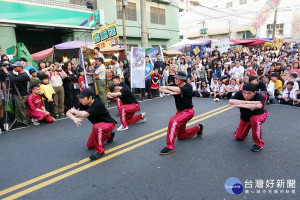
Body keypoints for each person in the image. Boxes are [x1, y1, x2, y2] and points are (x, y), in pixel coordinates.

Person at [158, 70, 204, 155]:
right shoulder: (175, 85)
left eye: (177, 78)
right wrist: (171, 91)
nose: (175, 79)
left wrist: (170, 89)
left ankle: (169, 146)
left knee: (173, 121)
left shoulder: (188, 87)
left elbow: (178, 90)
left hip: (188, 112)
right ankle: (198, 128)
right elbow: (161, 88)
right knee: (181, 136)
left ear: (182, 79)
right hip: (179, 112)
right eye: (175, 78)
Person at [66, 88, 117, 161]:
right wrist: (74, 119)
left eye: (83, 98)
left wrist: (75, 111)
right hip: (99, 126)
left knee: (96, 127)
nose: (81, 100)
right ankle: (109, 135)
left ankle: (100, 151)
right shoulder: (83, 104)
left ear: (90, 97)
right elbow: (67, 113)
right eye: (80, 98)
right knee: (90, 145)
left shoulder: (98, 104)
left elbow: (84, 114)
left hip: (109, 123)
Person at [229, 83, 269, 152]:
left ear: (254, 93)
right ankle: (239, 130)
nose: (246, 95)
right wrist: (250, 103)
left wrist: (240, 104)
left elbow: (258, 106)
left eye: (249, 93)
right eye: (244, 93)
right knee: (239, 137)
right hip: (245, 117)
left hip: (259, 115)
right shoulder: (240, 93)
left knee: (254, 120)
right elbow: (231, 101)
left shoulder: (259, 96)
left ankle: (258, 143)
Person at [1, 61, 31, 125]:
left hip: (21, 94)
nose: (14, 68)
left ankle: (26, 121)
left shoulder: (24, 75)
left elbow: (14, 79)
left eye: (15, 67)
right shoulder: (20, 74)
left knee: (22, 108)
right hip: (17, 94)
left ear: (20, 67)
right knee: (17, 108)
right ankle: (19, 120)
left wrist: (6, 72)